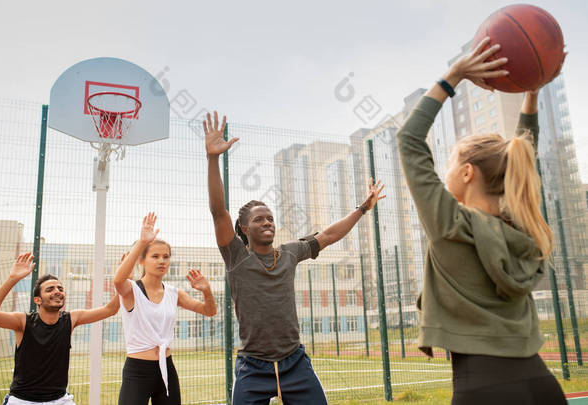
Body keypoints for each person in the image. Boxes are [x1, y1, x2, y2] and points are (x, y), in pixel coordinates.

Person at [396, 37, 566, 404]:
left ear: (469, 173)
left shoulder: (449, 224)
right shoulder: (522, 227)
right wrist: (531, 96)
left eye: (453, 163)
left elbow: (409, 140)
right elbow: (524, 159)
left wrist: (453, 76)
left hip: (482, 389)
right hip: (541, 385)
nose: (447, 170)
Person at [203, 112, 385, 405]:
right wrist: (213, 159)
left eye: (270, 218)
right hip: (253, 367)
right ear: (245, 229)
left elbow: (327, 236)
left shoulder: (290, 252)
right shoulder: (235, 256)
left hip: (294, 364)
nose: (267, 223)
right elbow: (218, 211)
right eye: (259, 220)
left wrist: (363, 208)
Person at [0, 252, 120, 405]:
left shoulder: (70, 319)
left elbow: (110, 309)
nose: (57, 291)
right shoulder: (23, 322)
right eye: (50, 289)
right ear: (37, 300)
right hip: (23, 400)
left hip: (59, 400)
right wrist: (13, 279)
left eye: (60, 288)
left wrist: (124, 280)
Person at [114, 212, 217, 405]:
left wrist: (207, 291)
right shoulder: (132, 290)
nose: (162, 260)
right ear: (142, 261)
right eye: (155, 256)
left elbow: (209, 311)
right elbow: (118, 280)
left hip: (166, 369)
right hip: (138, 370)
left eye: (166, 257)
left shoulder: (174, 293)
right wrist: (142, 242)